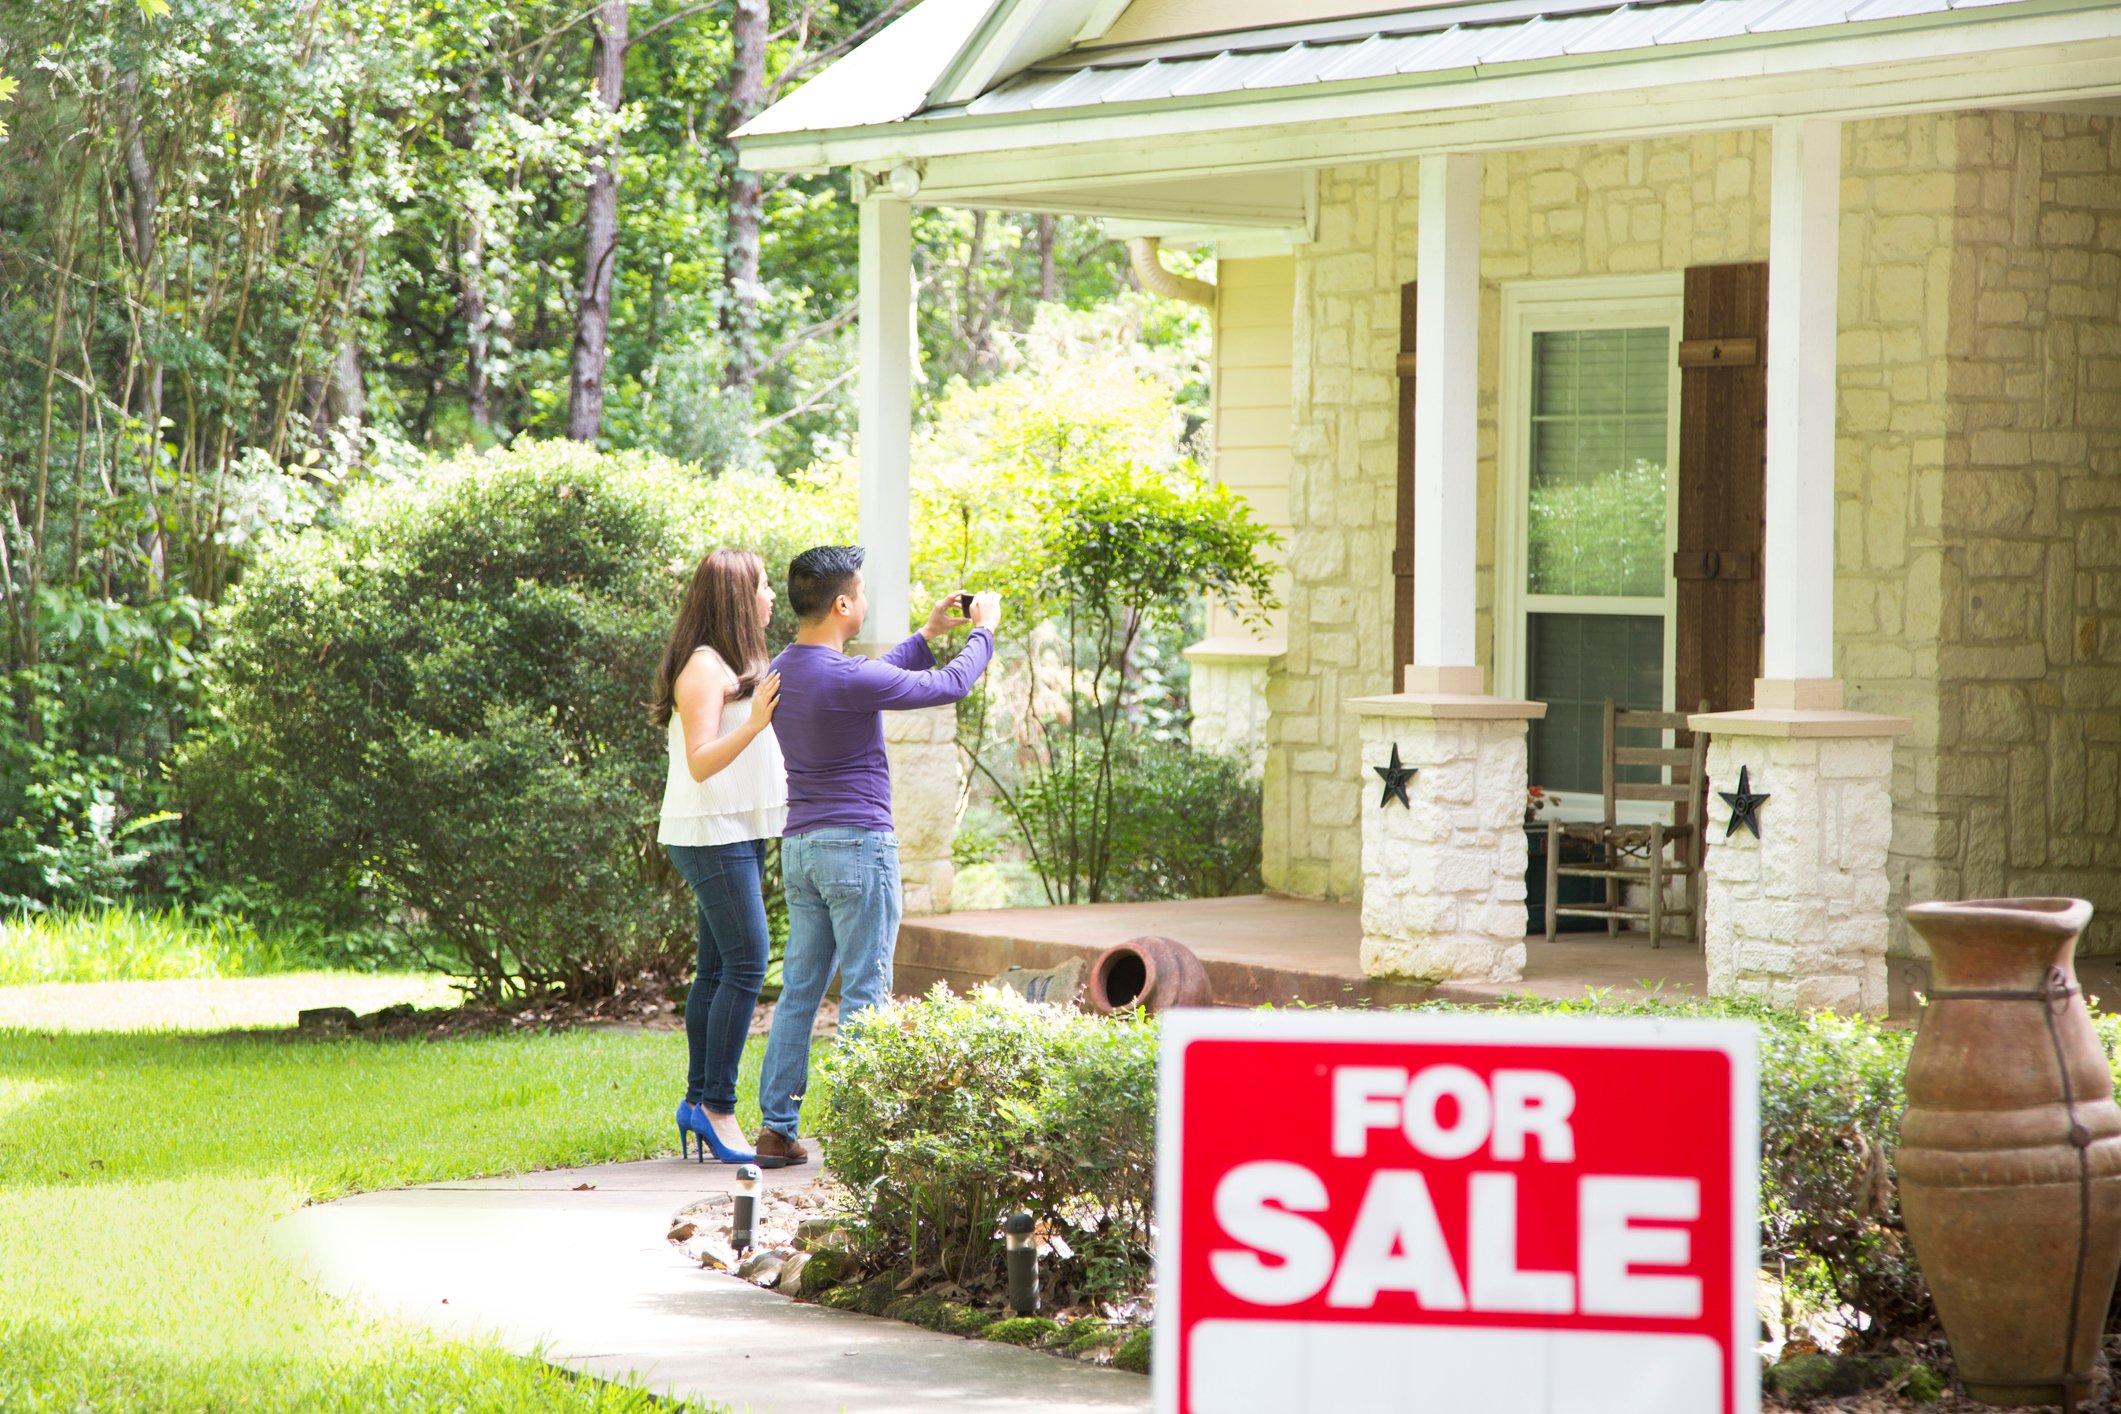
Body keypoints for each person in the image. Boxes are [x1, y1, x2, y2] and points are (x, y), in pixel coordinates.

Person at [753, 545, 999, 1165]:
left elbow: (864, 685)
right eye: (861, 592)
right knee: (866, 989)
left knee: (800, 992)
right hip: (858, 847)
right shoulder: (842, 676)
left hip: (802, 849)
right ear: (842, 604)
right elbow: (951, 685)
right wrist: (984, 630)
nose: (865, 600)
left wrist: (926, 634)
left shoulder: (787, 667)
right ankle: (865, 1136)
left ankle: (777, 1129)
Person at [651, 548, 787, 1165]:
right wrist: (756, 722)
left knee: (715, 969)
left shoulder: (729, 664)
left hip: (729, 829)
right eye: (761, 588)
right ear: (738, 598)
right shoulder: (704, 668)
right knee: (747, 964)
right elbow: (702, 761)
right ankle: (717, 1107)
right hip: (710, 832)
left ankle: (694, 1102)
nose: (770, 599)